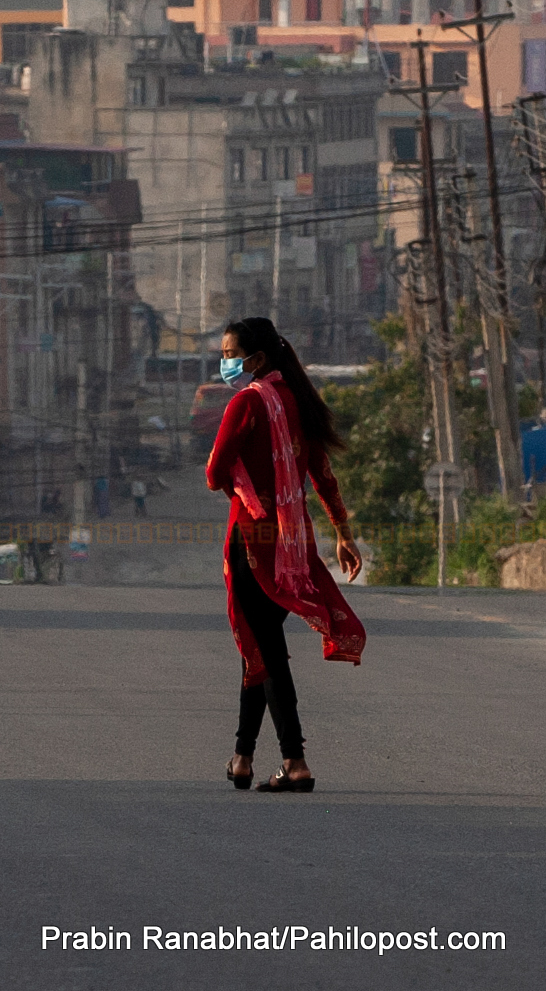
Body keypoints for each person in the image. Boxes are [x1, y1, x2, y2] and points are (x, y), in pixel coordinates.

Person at [205, 317, 365, 793]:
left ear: (256, 359)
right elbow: (323, 475)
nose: (225, 362)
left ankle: (295, 761)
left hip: (252, 538)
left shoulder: (246, 403)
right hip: (293, 542)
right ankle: (242, 757)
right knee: (261, 645)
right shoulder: (298, 401)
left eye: (230, 354)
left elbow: (214, 473)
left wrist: (239, 483)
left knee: (267, 651)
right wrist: (343, 533)